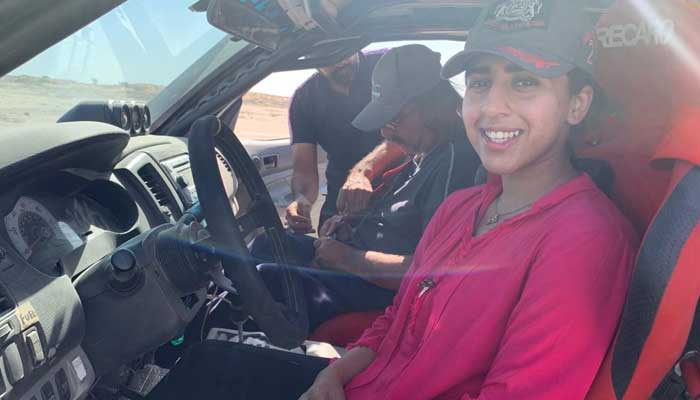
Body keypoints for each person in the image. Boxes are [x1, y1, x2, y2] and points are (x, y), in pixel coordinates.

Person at [148, 2, 638, 399]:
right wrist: (332, 378)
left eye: (526, 81)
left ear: (577, 103)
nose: (492, 106)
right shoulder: (462, 208)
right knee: (210, 366)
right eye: (481, 81)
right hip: (364, 384)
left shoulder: (583, 240)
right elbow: (395, 320)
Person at [251, 44, 480, 332]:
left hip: (381, 287)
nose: (384, 133)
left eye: (393, 119)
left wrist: (348, 258)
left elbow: (434, 273)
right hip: (360, 257)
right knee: (265, 245)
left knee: (265, 277)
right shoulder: (421, 154)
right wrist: (349, 225)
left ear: (432, 107)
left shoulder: (455, 164)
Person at [285, 50, 404, 234]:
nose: (339, 59)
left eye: (345, 49)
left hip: (399, 190)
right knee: (325, 252)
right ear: (310, 57)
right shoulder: (304, 98)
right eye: (328, 53)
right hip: (341, 198)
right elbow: (304, 169)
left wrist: (362, 173)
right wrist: (302, 200)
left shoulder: (385, 66)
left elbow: (410, 131)